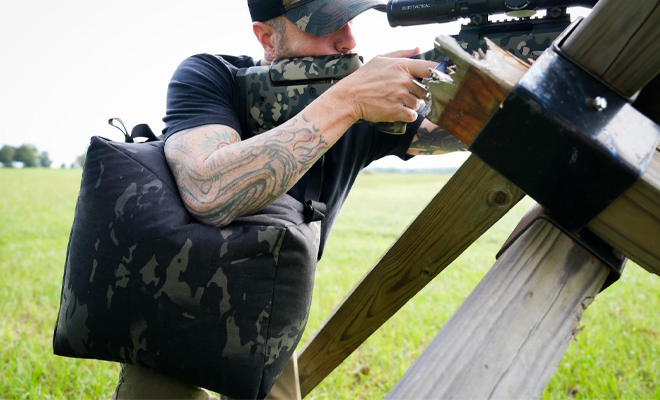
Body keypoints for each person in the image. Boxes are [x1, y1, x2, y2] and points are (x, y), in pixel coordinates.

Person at [113, 0, 465, 398]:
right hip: (174, 302)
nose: (348, 41)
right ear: (266, 38)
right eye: (325, 25)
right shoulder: (213, 76)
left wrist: (507, 77)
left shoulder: (369, 104)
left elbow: (465, 130)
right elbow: (207, 188)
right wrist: (347, 101)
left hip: (267, 314)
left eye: (351, 21)